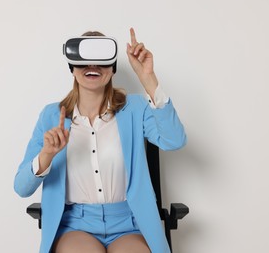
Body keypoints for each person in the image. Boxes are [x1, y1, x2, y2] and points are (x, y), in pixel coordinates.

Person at [14, 28, 186, 253]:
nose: (92, 66)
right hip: (75, 225)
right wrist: (46, 155)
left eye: (101, 61)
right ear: (72, 66)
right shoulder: (51, 116)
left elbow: (174, 140)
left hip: (130, 222)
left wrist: (148, 79)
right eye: (84, 60)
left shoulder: (134, 108)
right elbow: (21, 187)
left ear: (112, 68)